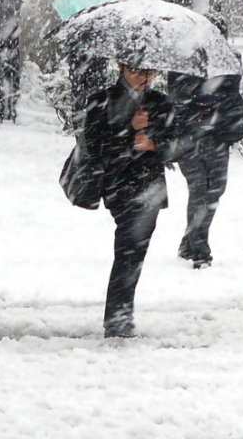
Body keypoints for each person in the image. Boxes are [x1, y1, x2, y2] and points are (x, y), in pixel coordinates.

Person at [81, 62, 178, 338]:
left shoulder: (160, 103)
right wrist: (127, 129)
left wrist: (155, 143)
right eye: (137, 71)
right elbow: (95, 145)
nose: (144, 78)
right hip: (119, 185)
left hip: (150, 188)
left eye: (150, 72)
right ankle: (118, 316)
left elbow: (178, 144)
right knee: (128, 249)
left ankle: (120, 314)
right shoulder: (102, 101)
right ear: (122, 67)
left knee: (134, 253)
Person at [169, 71, 243, 269]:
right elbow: (176, 102)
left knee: (215, 191)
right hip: (189, 139)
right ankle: (200, 252)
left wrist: (220, 111)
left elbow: (234, 100)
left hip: (218, 138)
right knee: (199, 190)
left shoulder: (225, 63)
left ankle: (189, 243)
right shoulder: (183, 62)